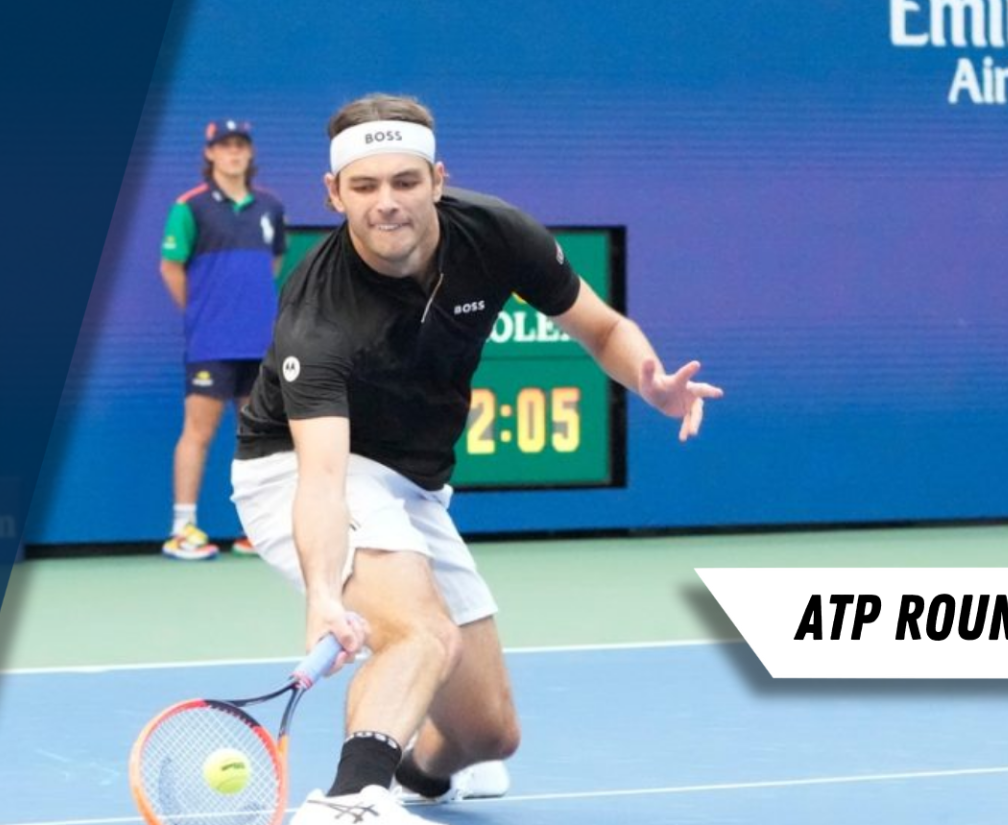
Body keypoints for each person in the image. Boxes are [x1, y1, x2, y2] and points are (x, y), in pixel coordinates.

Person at [231, 94, 723, 824]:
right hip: (296, 469)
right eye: (365, 186)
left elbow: (601, 328)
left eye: (405, 180)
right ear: (334, 193)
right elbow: (325, 479)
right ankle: (347, 799)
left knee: (488, 734)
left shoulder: (495, 234)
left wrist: (648, 381)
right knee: (420, 631)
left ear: (438, 179)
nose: (387, 202)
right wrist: (324, 597)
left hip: (414, 482)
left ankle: (415, 775)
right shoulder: (319, 314)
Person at [159, 119, 286, 561]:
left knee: (257, 436)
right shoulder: (188, 207)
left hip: (260, 343)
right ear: (210, 153)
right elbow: (170, 267)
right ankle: (182, 529)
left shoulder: (270, 206)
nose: (234, 153)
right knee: (198, 431)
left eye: (240, 145)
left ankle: (257, 530)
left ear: (249, 153)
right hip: (211, 344)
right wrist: (203, 313)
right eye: (225, 146)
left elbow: (273, 264)